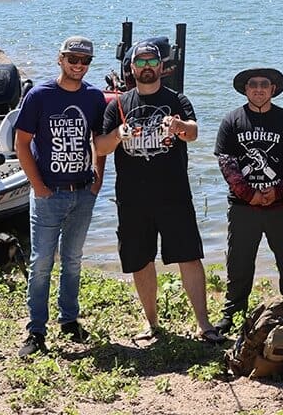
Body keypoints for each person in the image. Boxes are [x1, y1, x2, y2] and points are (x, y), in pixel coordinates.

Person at [96, 41, 221, 343]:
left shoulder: (177, 100)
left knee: (189, 257)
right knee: (140, 260)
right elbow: (99, 147)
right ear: (132, 68)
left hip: (173, 195)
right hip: (132, 199)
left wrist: (178, 125)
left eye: (152, 62)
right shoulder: (118, 105)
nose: (147, 67)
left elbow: (192, 133)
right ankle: (151, 323)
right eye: (140, 63)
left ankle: (203, 323)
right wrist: (117, 135)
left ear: (162, 67)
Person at [14, 36, 108, 357]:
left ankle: (69, 321)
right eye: (73, 59)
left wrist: (97, 180)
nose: (79, 65)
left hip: (82, 192)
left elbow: (100, 141)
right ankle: (36, 331)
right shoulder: (39, 95)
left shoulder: (95, 97)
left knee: (73, 261)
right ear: (60, 59)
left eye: (85, 61)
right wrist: (38, 186)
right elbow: (21, 144)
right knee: (41, 263)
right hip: (48, 195)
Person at [213, 67, 283, 332]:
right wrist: (250, 194)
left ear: (273, 89)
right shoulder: (232, 121)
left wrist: (276, 192)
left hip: (282, 206)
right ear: (246, 89)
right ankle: (232, 312)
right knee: (239, 262)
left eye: (263, 84)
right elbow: (227, 163)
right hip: (244, 207)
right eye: (252, 84)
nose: (258, 89)